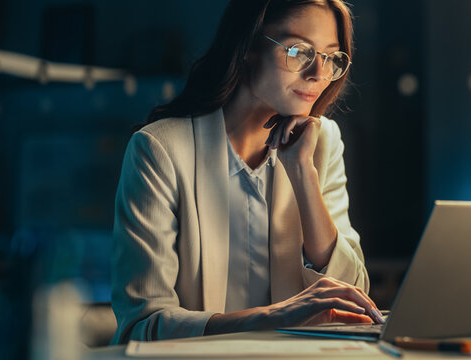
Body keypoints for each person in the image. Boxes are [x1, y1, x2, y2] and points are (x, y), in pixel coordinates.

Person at [111, 0, 383, 344]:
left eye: (331, 57)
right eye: (300, 51)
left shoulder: (322, 141)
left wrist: (302, 174)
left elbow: (353, 301)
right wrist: (275, 317)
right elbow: (142, 327)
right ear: (248, 47)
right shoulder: (159, 149)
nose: (318, 73)